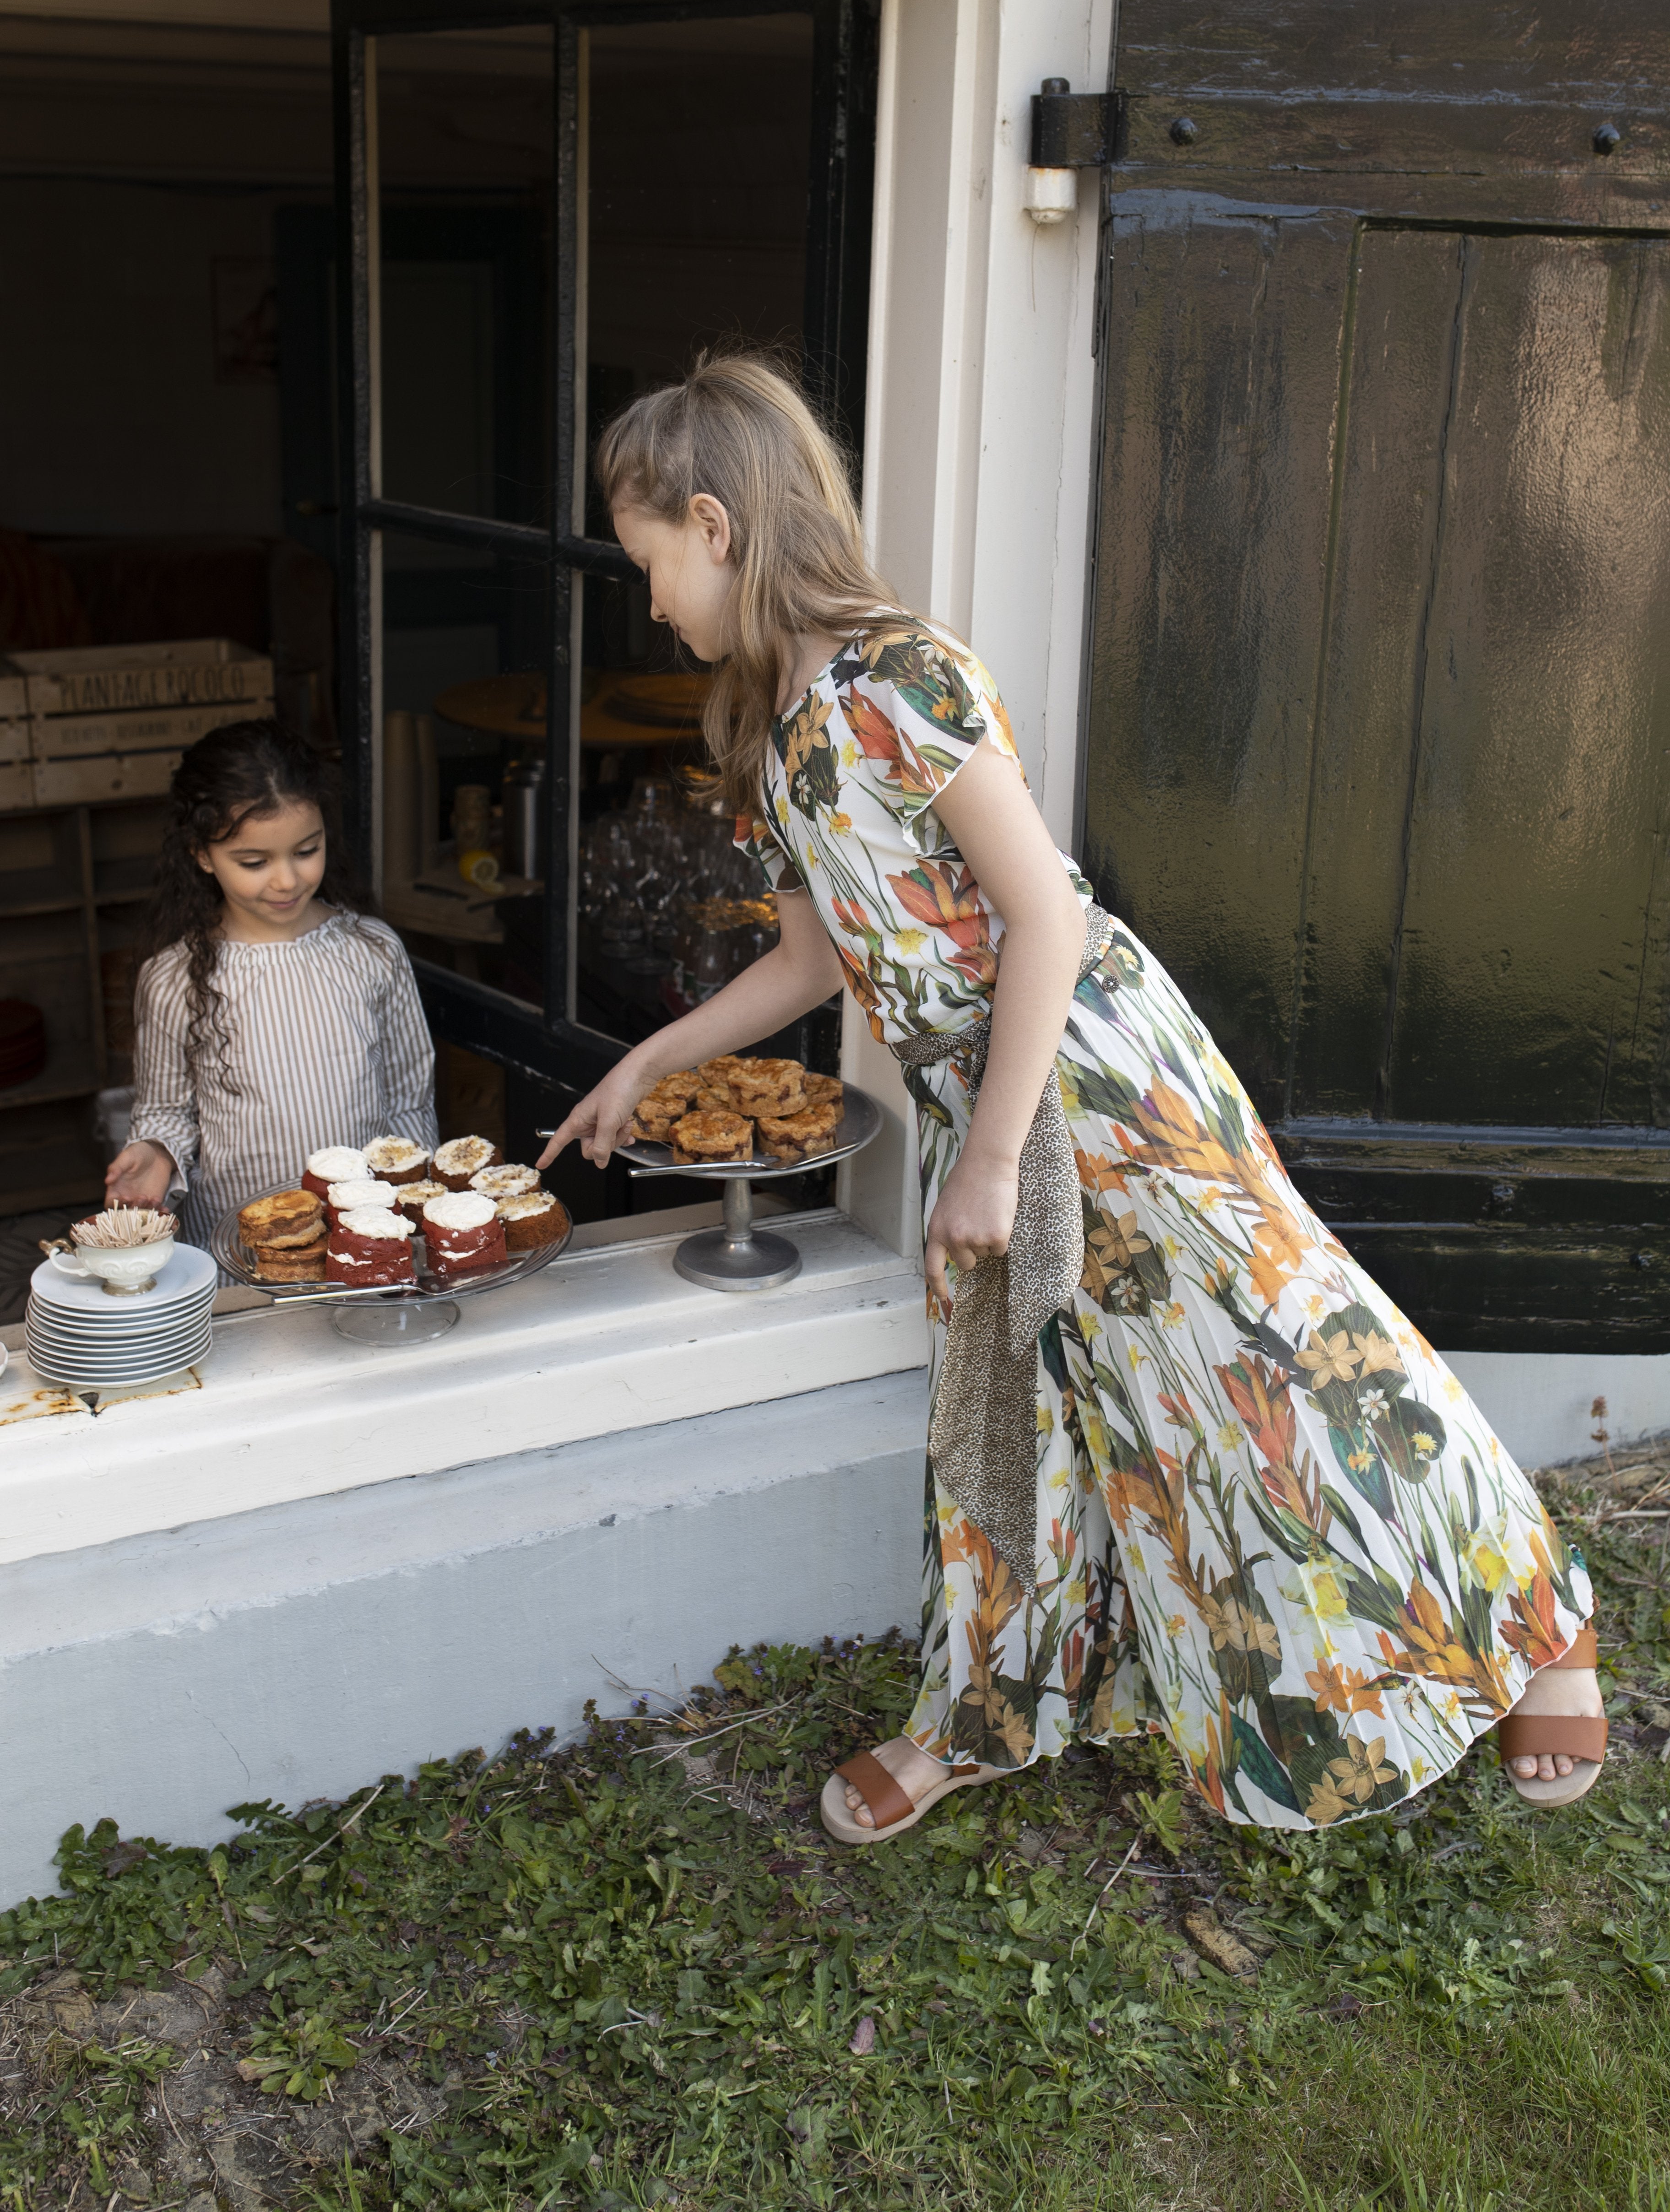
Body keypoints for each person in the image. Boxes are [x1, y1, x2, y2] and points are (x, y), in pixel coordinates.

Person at [538, 355, 1607, 1844]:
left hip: (1097, 1076)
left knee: (1290, 1352)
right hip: (979, 1100)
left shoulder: (901, 675)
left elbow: (1037, 914)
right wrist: (645, 1060)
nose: (645, 600)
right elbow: (805, 963)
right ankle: (975, 1717)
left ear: (713, 525)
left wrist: (984, 1157)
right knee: (1012, 1413)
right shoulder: (777, 736)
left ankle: (1532, 1615)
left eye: (646, 562)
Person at [106, 719, 437, 1246]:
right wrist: (157, 1152)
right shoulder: (174, 978)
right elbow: (167, 1112)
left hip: (363, 1231)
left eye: (306, 851)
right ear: (201, 854)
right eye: (255, 862)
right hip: (233, 1238)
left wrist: (415, 1215)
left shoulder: (372, 951)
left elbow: (408, 1102)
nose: (287, 880)